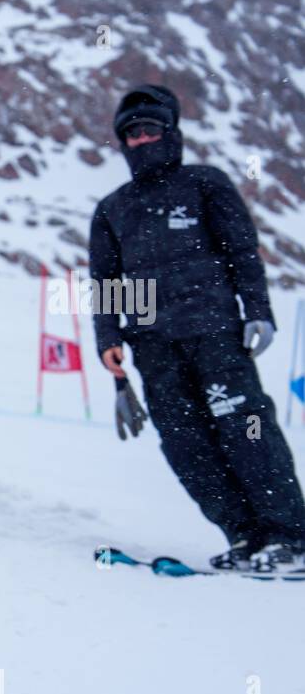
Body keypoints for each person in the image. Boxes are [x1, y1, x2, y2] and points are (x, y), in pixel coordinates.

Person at [91, 84, 305, 574]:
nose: (141, 140)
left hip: (215, 334)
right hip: (152, 346)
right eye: (131, 134)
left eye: (149, 130)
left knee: (246, 430)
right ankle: (247, 538)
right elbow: (108, 281)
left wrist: (257, 310)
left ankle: (290, 537)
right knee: (187, 447)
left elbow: (242, 253)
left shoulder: (205, 184)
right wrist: (110, 341)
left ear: (170, 133)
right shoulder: (113, 208)